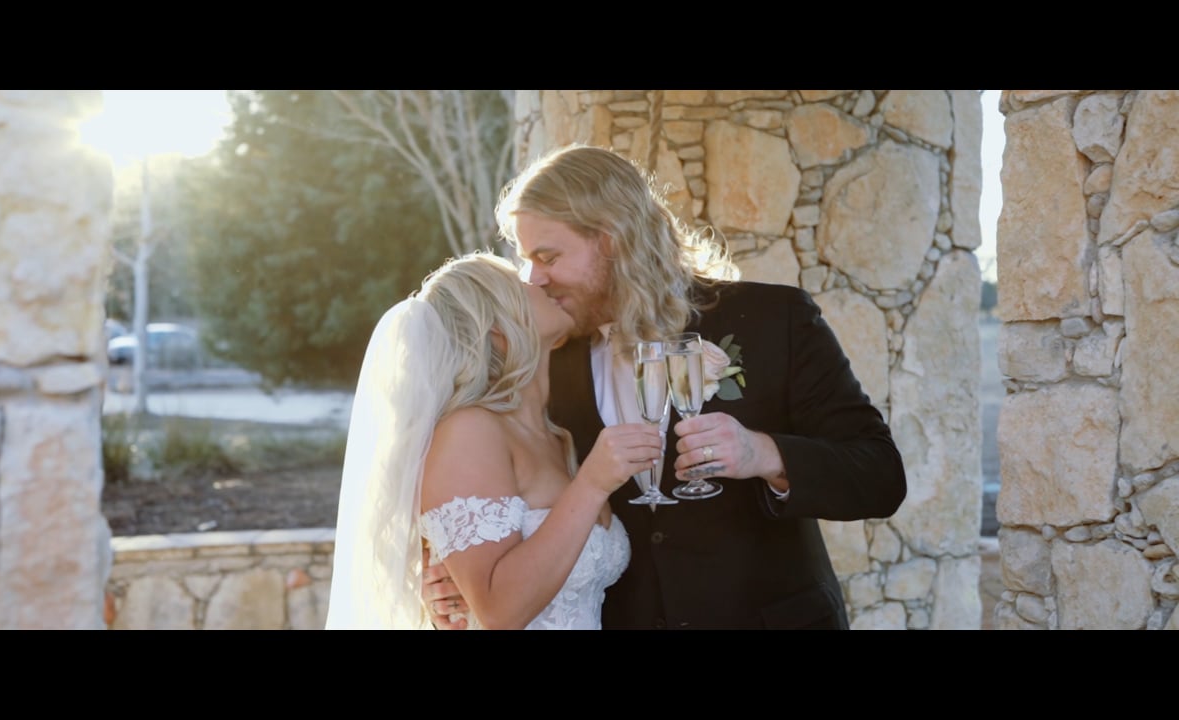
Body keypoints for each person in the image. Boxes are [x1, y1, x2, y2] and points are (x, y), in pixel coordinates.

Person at [423, 144, 907, 630]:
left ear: (611, 239)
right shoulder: (549, 359)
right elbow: (496, 502)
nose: (536, 278)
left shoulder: (774, 321)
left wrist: (762, 454)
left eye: (548, 256)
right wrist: (456, 576)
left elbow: (880, 477)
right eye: (527, 260)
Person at [325, 251, 661, 630]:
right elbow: (499, 612)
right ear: (498, 327)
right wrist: (593, 483)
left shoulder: (557, 435)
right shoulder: (468, 432)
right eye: (521, 284)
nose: (538, 282)